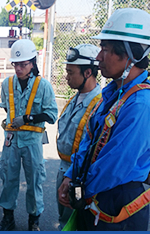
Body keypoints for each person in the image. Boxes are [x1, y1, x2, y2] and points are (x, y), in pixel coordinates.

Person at [58, 8, 150, 231]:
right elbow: (89, 140)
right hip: (96, 192)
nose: (98, 58)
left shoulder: (142, 105)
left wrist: (81, 190)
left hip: (118, 203)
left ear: (129, 55)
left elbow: (116, 164)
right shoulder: (112, 94)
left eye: (104, 49)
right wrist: (71, 175)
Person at [0, 39, 58, 231]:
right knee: (8, 178)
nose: (19, 68)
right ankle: (8, 219)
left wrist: (28, 118)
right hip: (11, 140)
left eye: (23, 64)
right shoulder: (7, 84)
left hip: (32, 141)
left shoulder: (44, 86)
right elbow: (6, 107)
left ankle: (34, 221)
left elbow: (52, 115)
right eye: (16, 64)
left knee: (35, 181)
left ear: (32, 63)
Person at [56, 44, 101, 230]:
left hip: (79, 175)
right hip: (64, 169)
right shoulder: (75, 98)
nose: (66, 77)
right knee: (63, 217)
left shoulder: (100, 104)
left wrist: (72, 176)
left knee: (75, 220)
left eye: (70, 72)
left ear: (88, 72)